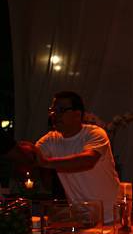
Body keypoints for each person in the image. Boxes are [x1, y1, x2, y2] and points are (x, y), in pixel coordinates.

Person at [35, 91, 120, 223]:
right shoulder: (50, 140)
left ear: (77, 114)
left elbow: (88, 160)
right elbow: (32, 156)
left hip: (111, 218)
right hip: (81, 220)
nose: (54, 115)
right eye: (53, 110)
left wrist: (46, 162)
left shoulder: (95, 133)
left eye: (61, 110)